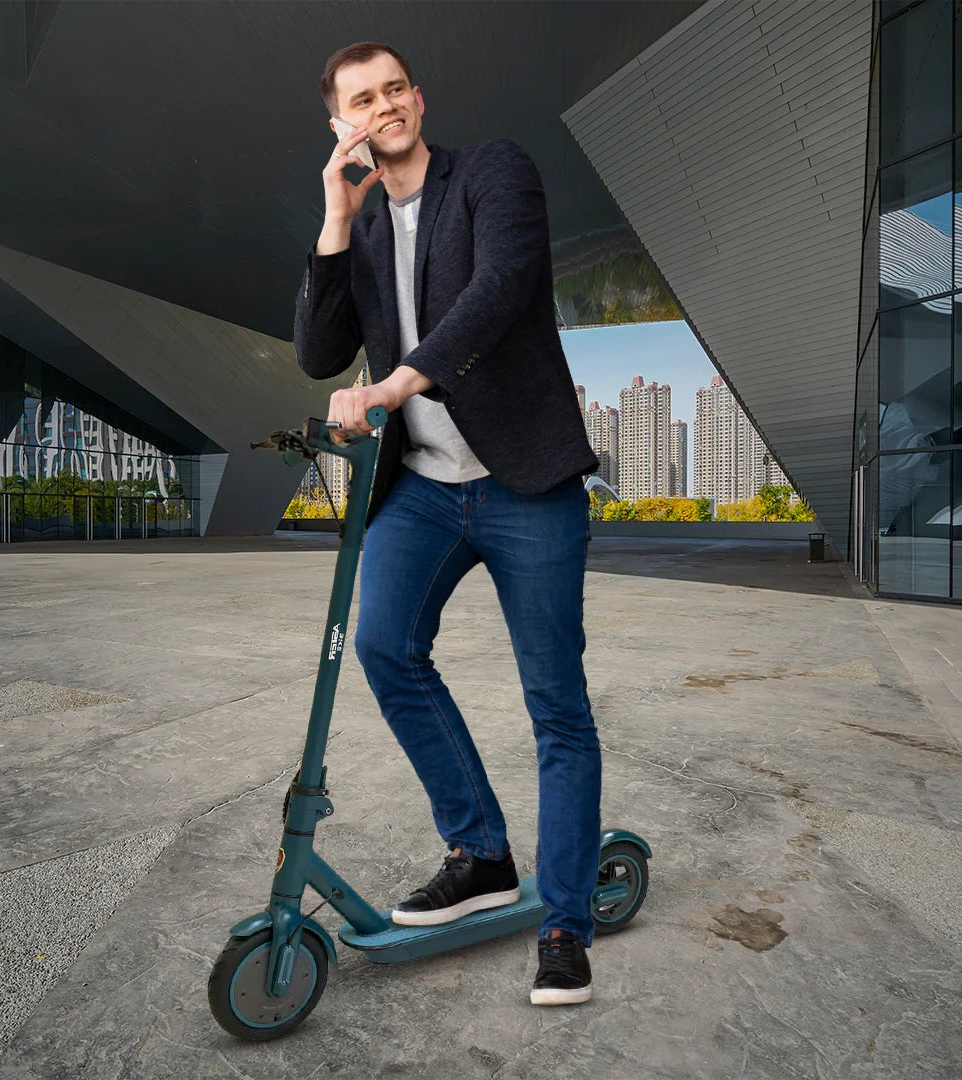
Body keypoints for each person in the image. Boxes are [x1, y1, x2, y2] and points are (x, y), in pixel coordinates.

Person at [294, 41, 601, 1006]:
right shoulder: (363, 229)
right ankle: (482, 853)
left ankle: (565, 924)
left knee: (555, 703)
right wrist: (335, 216)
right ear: (341, 124)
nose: (384, 106)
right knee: (383, 645)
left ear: (419, 99)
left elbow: (498, 289)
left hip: (526, 482)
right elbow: (317, 352)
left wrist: (396, 383)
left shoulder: (492, 173)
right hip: (424, 487)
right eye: (362, 100)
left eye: (395, 90)